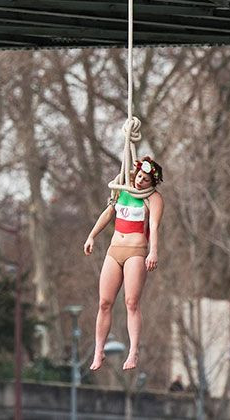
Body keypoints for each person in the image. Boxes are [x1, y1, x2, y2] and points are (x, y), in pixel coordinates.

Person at [83, 156, 164, 371]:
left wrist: (153, 252)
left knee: (131, 302)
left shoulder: (152, 198)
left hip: (136, 251)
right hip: (114, 249)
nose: (140, 181)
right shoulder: (123, 188)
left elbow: (153, 227)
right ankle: (99, 350)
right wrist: (92, 235)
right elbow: (109, 212)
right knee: (104, 302)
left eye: (145, 179)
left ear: (152, 182)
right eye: (139, 176)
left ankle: (133, 351)